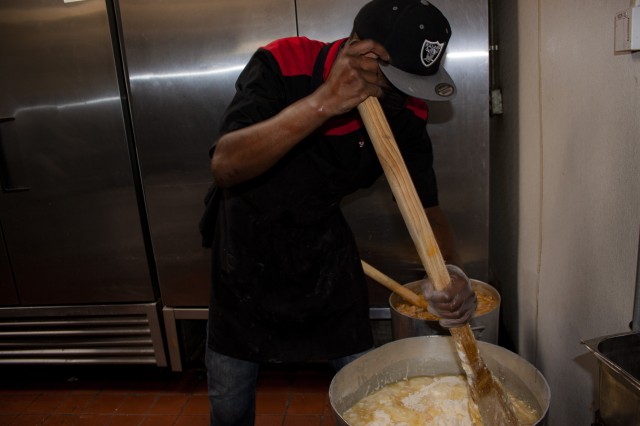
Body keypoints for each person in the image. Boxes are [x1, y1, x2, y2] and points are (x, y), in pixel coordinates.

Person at [202, 0, 477, 424]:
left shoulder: (405, 110)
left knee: (364, 385)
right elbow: (226, 165)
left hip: (324, 246)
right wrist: (324, 102)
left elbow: (426, 208)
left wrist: (449, 275)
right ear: (366, 52)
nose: (404, 94)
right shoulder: (285, 61)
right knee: (230, 393)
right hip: (245, 245)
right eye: (398, 77)